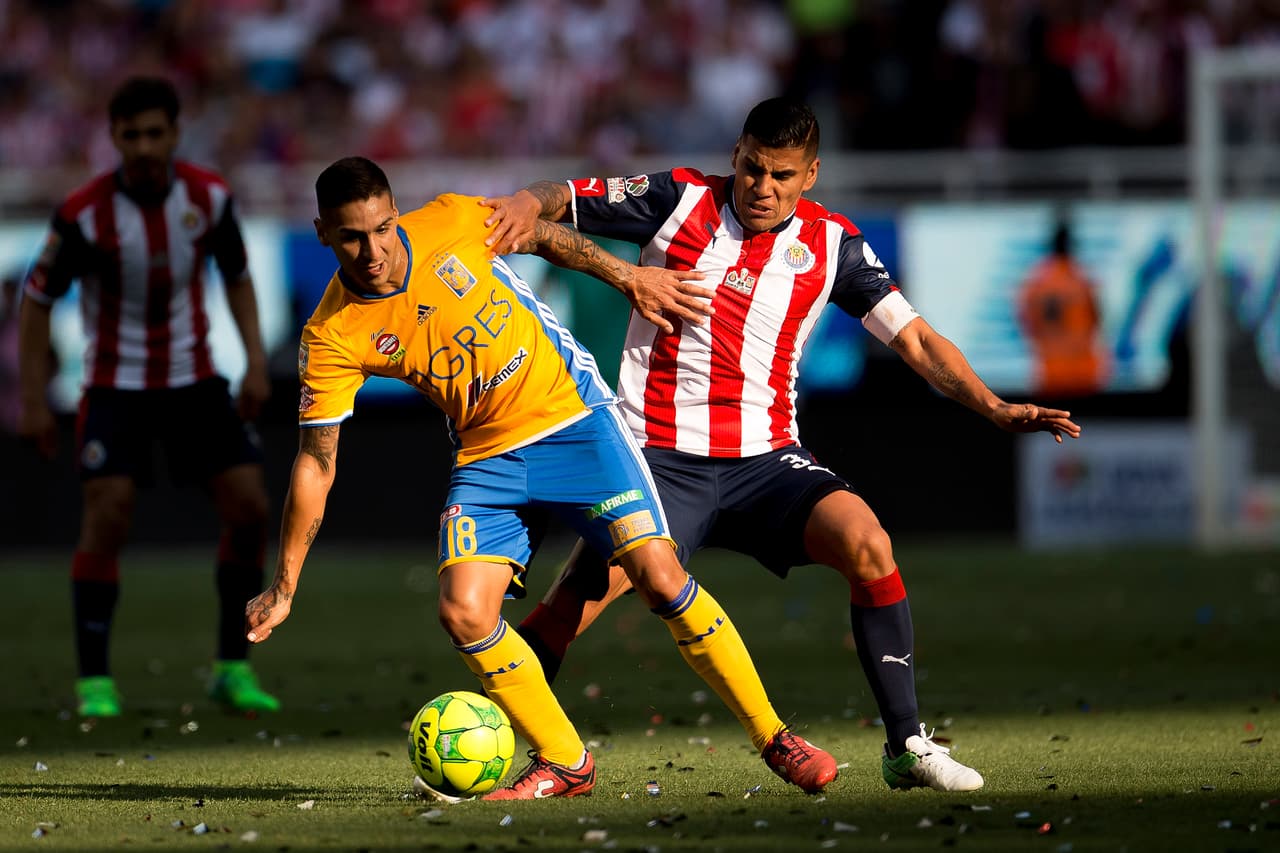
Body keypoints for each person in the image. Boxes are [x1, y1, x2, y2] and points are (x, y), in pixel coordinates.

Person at [482, 97, 1083, 792]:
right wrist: (526, 201)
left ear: (811, 175)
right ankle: (487, 741)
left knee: (869, 543)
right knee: (571, 607)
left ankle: (907, 746)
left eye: (781, 175)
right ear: (736, 156)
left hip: (767, 462)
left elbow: (915, 338)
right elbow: (569, 195)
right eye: (752, 168)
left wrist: (993, 405)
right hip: (656, 460)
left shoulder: (833, 245)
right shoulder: (679, 199)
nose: (762, 188)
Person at [242, 156, 838, 801]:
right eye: (352, 237)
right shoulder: (330, 335)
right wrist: (285, 584)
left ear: (395, 214)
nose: (373, 251)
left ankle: (774, 736)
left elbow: (543, 234)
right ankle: (565, 762)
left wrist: (628, 276)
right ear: (322, 233)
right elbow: (316, 461)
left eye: (382, 228)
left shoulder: (451, 219)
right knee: (463, 611)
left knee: (661, 577)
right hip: (488, 456)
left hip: (576, 421)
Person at [17, 76, 279, 718]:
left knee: (249, 508)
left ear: (175, 133)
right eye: (130, 135)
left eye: (154, 133)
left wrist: (254, 362)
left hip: (195, 380)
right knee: (107, 515)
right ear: (113, 137)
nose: (142, 147)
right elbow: (36, 300)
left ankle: (232, 667)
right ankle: (95, 681)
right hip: (116, 387)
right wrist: (32, 399)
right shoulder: (83, 214)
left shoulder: (208, 198)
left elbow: (238, 276)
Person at [1016, 219, 1109, 397]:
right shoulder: (1081, 279)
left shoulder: (1037, 283)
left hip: (1052, 370)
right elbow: (1097, 318)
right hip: (1083, 370)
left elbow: (1027, 322)